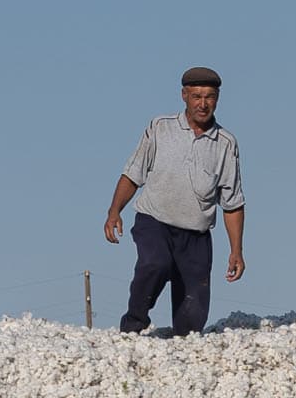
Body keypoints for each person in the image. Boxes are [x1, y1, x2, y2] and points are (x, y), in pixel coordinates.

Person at [104, 66, 245, 336]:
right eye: (196, 96)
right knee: (154, 263)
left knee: (192, 319)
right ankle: (133, 326)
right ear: (184, 96)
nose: (203, 104)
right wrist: (114, 211)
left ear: (217, 99)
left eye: (209, 97)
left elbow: (233, 203)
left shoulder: (226, 144)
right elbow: (132, 174)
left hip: (196, 236)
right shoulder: (160, 128)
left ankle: (183, 357)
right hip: (154, 222)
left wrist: (236, 250)